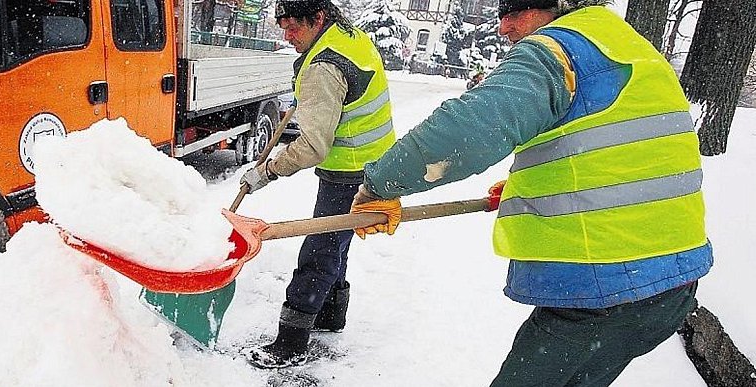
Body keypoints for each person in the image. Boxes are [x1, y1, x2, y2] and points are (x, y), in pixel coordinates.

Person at [349, 0, 713, 385]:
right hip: (671, 284)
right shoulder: (631, 47)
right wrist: (540, 182)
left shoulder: (559, 50)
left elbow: (470, 130)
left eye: (516, 12)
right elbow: (632, 151)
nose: (503, 27)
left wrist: (380, 185)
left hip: (607, 287)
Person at [239, 0, 396, 368]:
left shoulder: (323, 67)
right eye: (284, 27)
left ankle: (290, 342)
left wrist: (267, 171)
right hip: (373, 162)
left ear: (318, 18)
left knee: (320, 249)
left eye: (294, 27)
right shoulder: (346, 37)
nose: (287, 36)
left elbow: (312, 146)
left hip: (350, 169)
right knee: (336, 240)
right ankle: (330, 314)